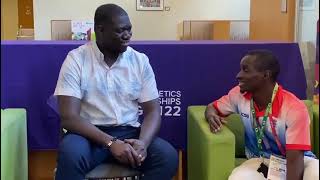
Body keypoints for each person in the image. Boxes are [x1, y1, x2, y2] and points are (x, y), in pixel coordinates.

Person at [54, 4, 178, 180]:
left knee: (167, 157)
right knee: (70, 154)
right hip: (88, 135)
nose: (127, 36)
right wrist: (111, 142)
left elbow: (153, 112)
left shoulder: (139, 61)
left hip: (129, 134)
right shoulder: (76, 59)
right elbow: (69, 117)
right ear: (100, 30)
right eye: (120, 31)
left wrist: (143, 143)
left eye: (129, 30)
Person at [205, 50, 319, 180]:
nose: (238, 75)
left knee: (316, 175)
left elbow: (294, 161)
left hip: (299, 161)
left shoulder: (294, 108)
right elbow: (212, 108)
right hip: (260, 159)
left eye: (246, 70)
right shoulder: (238, 95)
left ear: (266, 75)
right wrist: (211, 115)